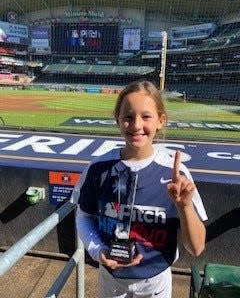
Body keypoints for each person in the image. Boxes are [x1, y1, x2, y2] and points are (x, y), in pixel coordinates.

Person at [74, 80, 207, 298]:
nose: (136, 125)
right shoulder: (98, 168)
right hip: (110, 280)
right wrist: (98, 251)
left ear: (160, 120)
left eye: (146, 116)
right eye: (128, 117)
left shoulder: (176, 174)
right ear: (117, 120)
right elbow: (84, 215)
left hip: (154, 283)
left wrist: (184, 207)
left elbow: (196, 248)